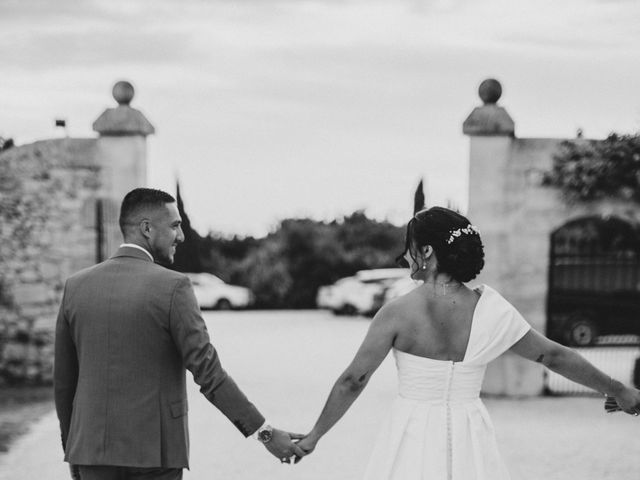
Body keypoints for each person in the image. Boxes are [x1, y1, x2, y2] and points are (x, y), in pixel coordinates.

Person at [295, 206, 640, 479]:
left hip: (411, 431)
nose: (405, 256)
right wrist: (617, 389)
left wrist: (314, 436)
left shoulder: (397, 313)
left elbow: (353, 381)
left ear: (426, 251)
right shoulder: (491, 309)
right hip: (468, 432)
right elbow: (552, 355)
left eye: (410, 248)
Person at [54, 188, 305, 480]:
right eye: (174, 225)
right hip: (155, 454)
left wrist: (74, 449)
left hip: (91, 453)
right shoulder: (173, 287)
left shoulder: (76, 286)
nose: (182, 236)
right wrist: (265, 434)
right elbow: (210, 375)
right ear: (147, 228)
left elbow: (64, 383)